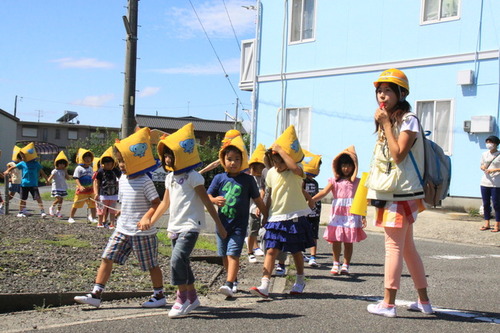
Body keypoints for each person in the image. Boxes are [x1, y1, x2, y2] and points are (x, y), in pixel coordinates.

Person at [365, 69, 433, 317]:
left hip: (400, 195)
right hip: (398, 193)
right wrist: (384, 122)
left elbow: (398, 154)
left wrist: (384, 123)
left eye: (388, 91)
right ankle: (424, 302)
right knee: (407, 248)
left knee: (392, 247)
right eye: (379, 91)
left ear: (401, 93)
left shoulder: (408, 119)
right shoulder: (393, 119)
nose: (382, 95)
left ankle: (388, 303)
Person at [74, 127, 165, 309]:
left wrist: (147, 218)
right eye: (120, 161)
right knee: (107, 257)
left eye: (125, 160)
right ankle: (96, 294)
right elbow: (125, 200)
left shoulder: (145, 180)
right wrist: (121, 211)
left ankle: (159, 295)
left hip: (142, 232)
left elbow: (156, 203)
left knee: (151, 265)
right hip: (122, 228)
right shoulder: (122, 178)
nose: (122, 165)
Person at [148, 123, 227, 318]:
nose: (167, 158)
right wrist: (151, 220)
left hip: (191, 226)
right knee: (182, 261)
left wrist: (219, 225)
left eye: (170, 154)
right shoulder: (170, 178)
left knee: (176, 260)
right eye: (165, 155)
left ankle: (181, 298)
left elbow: (207, 202)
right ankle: (192, 297)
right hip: (174, 226)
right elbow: (164, 204)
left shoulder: (194, 177)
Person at [249, 125, 314, 298]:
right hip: (275, 217)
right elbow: (269, 196)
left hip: (294, 217)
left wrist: (281, 150)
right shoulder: (270, 173)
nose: (277, 165)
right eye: (274, 161)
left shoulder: (296, 171)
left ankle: (300, 280)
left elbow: (294, 167)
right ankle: (264, 284)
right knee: (271, 249)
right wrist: (264, 213)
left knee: (296, 251)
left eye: (280, 161)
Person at [208, 131, 267, 298]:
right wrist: (214, 200)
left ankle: (228, 283)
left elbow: (258, 200)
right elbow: (207, 195)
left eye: (237, 159)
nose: (233, 162)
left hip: (239, 226)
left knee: (233, 254)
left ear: (242, 161)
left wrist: (266, 217)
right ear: (223, 160)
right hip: (221, 224)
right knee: (224, 255)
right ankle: (232, 280)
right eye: (229, 159)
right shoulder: (219, 178)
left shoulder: (247, 180)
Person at [311, 146, 367, 275]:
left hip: (352, 214)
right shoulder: (334, 181)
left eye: (349, 165)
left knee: (348, 241)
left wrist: (363, 216)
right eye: (343, 165)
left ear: (354, 167)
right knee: (336, 240)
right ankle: (335, 263)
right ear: (338, 166)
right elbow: (324, 192)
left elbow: (362, 200)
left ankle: (346, 264)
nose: (346, 169)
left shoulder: (358, 182)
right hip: (337, 214)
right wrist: (312, 199)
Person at [3, 143, 50, 218]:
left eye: (23, 156)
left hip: (33, 184)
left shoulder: (36, 164)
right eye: (21, 156)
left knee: (38, 198)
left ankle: (42, 212)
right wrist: (7, 171)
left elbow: (42, 172)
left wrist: (47, 180)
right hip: (24, 184)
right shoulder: (22, 163)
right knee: (23, 199)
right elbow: (13, 167)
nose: (22, 157)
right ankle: (20, 212)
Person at [246, 144, 267, 263]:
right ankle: (250, 251)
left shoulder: (266, 178)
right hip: (253, 209)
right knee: (252, 231)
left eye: (261, 167)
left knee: (264, 231)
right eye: (255, 167)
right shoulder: (250, 178)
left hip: (265, 209)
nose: (258, 170)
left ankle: (262, 249)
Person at [302, 149, 323, 267]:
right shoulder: (302, 180)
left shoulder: (315, 182)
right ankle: (302, 254)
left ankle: (313, 257)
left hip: (315, 212)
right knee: (302, 234)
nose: (319, 171)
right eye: (318, 168)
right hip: (304, 212)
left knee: (314, 235)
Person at [93, 147, 121, 229]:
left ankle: (112, 223)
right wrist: (96, 193)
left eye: (109, 163)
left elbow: (120, 180)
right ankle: (100, 222)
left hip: (114, 194)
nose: (107, 165)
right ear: (102, 164)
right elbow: (97, 182)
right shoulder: (100, 172)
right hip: (103, 194)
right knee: (101, 209)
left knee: (112, 210)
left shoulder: (116, 171)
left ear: (113, 163)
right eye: (105, 163)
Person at [68, 149, 97, 224]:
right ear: (82, 159)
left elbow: (93, 179)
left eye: (89, 158)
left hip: (90, 190)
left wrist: (94, 187)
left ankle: (93, 217)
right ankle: (71, 217)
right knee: (76, 204)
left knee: (93, 205)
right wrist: (80, 186)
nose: (88, 159)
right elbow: (76, 178)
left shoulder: (91, 168)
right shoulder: (79, 168)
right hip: (81, 191)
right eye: (86, 158)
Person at [479, 135, 500, 233]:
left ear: (496, 144)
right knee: (486, 203)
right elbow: (482, 164)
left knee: (496, 204)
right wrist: (483, 167)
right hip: (485, 182)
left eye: (491, 142)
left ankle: (497, 224)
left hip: (496, 183)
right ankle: (486, 223)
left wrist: (494, 170)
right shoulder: (484, 154)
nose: (489, 144)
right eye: (487, 142)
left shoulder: (499, 154)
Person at [47, 151, 71, 218]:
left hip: (62, 187)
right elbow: (51, 177)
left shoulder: (64, 171)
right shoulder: (55, 171)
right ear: (57, 164)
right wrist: (48, 181)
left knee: (61, 201)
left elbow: (68, 178)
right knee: (58, 199)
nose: (62, 165)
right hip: (56, 187)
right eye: (60, 164)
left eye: (63, 164)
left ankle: (58, 212)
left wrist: (66, 172)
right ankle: (51, 207)